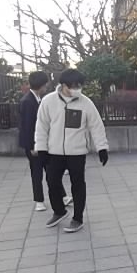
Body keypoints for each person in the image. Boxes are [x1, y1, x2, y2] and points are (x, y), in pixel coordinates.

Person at [35, 69, 109, 233]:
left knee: (78, 185)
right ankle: (59, 211)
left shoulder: (86, 103)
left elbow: (96, 126)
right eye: (73, 86)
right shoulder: (48, 101)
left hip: (77, 152)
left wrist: (102, 148)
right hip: (54, 152)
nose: (76, 89)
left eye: (79, 86)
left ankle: (77, 218)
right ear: (63, 85)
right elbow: (41, 127)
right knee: (52, 182)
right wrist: (41, 149)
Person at [19, 71, 71, 212]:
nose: (47, 86)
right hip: (34, 145)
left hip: (45, 142)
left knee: (52, 171)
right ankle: (39, 201)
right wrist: (32, 146)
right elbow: (27, 126)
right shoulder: (27, 101)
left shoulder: (40, 99)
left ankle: (63, 196)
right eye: (46, 84)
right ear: (41, 85)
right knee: (37, 173)